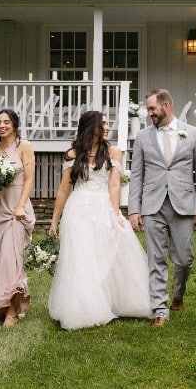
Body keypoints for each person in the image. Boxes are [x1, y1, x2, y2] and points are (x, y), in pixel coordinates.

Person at [47, 111, 152, 330]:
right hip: (77, 210)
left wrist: (116, 214)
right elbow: (64, 189)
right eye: (102, 123)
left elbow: (114, 185)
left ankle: (114, 301)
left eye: (107, 123)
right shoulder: (72, 154)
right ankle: (82, 307)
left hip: (103, 206)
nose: (107, 126)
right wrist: (54, 221)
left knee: (109, 253)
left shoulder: (113, 152)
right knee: (82, 258)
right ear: (90, 126)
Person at [128, 89, 196, 327]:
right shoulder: (143, 137)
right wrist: (134, 209)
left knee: (184, 259)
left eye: (152, 108)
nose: (149, 114)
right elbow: (136, 176)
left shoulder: (193, 134)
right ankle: (160, 310)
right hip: (153, 204)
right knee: (156, 258)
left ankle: (178, 295)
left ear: (166, 105)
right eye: (147, 109)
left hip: (183, 204)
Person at [0, 109, 36, 327]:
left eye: (7, 122)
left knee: (11, 260)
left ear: (14, 125)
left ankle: (11, 310)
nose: (2, 126)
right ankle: (3, 303)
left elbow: (29, 180)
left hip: (16, 211)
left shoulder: (24, 147)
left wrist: (20, 206)